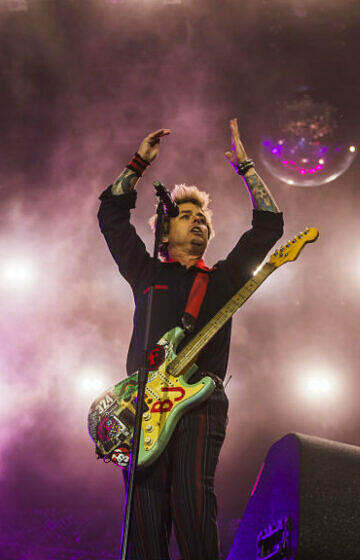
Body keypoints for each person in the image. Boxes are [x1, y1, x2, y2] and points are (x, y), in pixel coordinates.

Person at [97, 119, 284, 559]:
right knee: (143, 520)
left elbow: (269, 226)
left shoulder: (222, 281)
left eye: (203, 219)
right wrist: (139, 162)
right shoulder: (146, 273)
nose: (198, 222)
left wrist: (247, 168)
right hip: (145, 403)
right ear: (165, 230)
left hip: (199, 401)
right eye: (187, 216)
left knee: (192, 500)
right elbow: (110, 214)